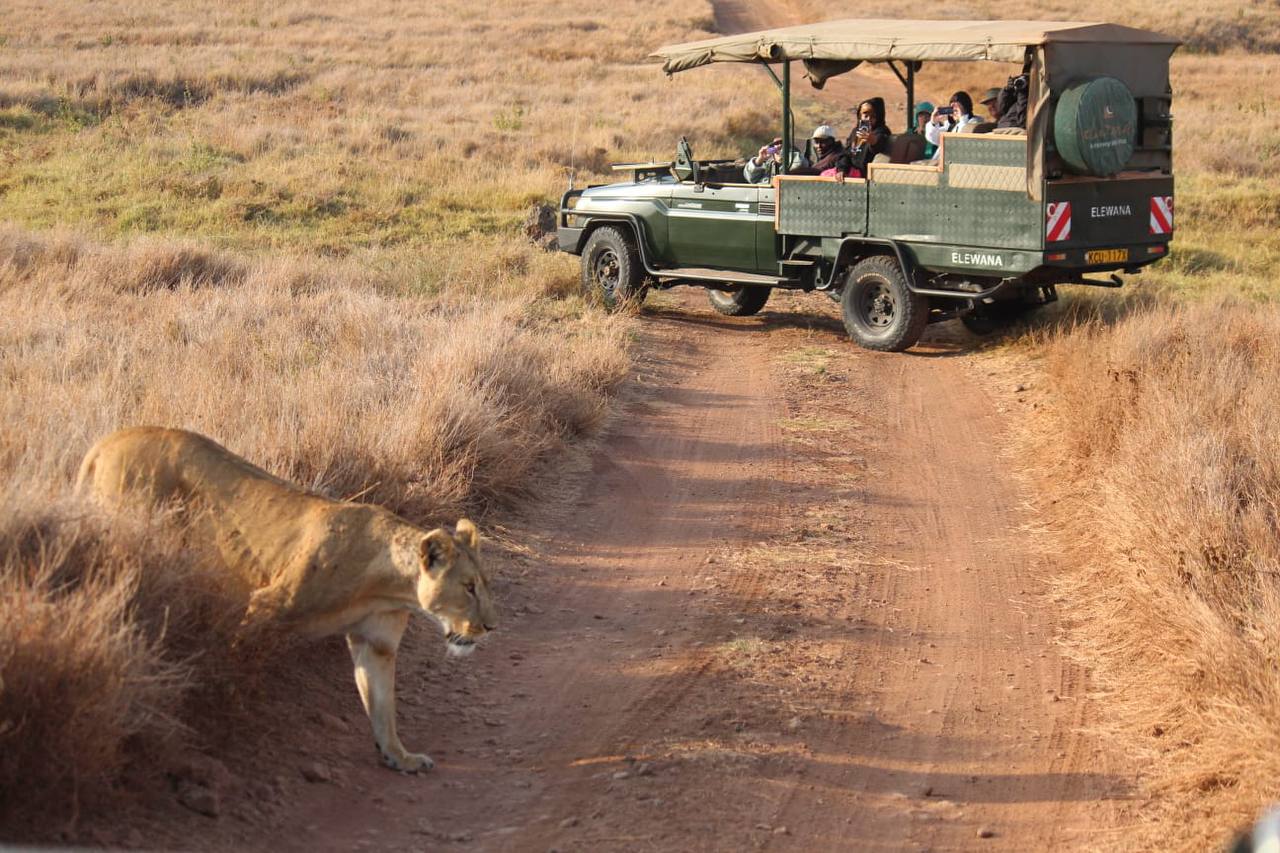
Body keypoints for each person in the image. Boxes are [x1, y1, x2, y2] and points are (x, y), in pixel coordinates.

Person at [836, 97, 891, 178]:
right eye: (865, 115)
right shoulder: (856, 132)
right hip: (852, 176)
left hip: (869, 177)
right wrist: (842, 170)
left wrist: (873, 142)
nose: (869, 119)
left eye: (873, 116)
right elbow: (847, 153)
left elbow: (880, 146)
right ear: (859, 116)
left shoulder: (882, 132)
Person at [925, 91, 981, 162]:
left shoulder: (975, 123)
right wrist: (933, 122)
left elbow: (962, 141)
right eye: (952, 108)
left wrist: (962, 117)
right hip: (942, 163)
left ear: (966, 107)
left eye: (957, 106)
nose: (953, 109)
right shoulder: (950, 126)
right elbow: (933, 138)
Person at [743, 137, 808, 183]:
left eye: (782, 145)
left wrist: (785, 155)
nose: (779, 146)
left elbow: (800, 163)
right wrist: (760, 159)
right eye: (776, 144)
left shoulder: (798, 159)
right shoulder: (767, 164)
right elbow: (751, 178)